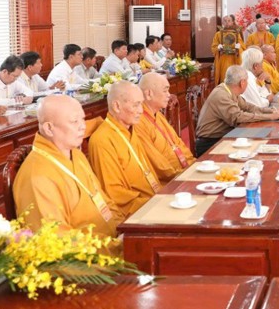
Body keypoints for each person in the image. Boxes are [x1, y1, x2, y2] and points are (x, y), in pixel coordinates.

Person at [13, 94, 124, 238]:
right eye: (74, 121)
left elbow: (103, 199)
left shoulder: (75, 154)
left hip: (115, 236)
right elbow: (56, 239)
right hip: (91, 249)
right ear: (49, 128)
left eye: (83, 119)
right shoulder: (37, 176)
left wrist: (123, 228)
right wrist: (114, 245)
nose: (83, 126)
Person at [87, 82, 161, 216]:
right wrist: (155, 204)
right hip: (137, 210)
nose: (141, 110)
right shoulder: (102, 140)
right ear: (117, 106)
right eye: (136, 105)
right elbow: (115, 193)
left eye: (141, 104)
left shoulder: (130, 129)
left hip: (153, 196)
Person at [194, 65, 279, 156]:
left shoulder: (229, 89)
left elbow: (248, 107)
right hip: (209, 143)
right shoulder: (221, 95)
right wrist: (269, 117)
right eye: (247, 81)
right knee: (255, 150)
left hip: (224, 136)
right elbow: (238, 117)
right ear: (242, 83)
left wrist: (271, 111)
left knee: (256, 146)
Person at [136, 73, 195, 183]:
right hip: (170, 182)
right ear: (148, 94)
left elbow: (178, 142)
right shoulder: (138, 122)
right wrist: (184, 174)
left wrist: (192, 164)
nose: (169, 95)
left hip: (184, 171)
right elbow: (157, 163)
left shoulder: (158, 114)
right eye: (165, 91)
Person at [213, 15, 245, 86]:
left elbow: (242, 46)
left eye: (229, 21)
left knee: (235, 80)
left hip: (234, 60)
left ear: (232, 22)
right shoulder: (218, 34)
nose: (227, 22)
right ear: (222, 23)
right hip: (223, 59)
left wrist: (238, 48)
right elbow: (213, 47)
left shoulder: (236, 34)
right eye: (225, 21)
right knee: (224, 78)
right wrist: (218, 47)